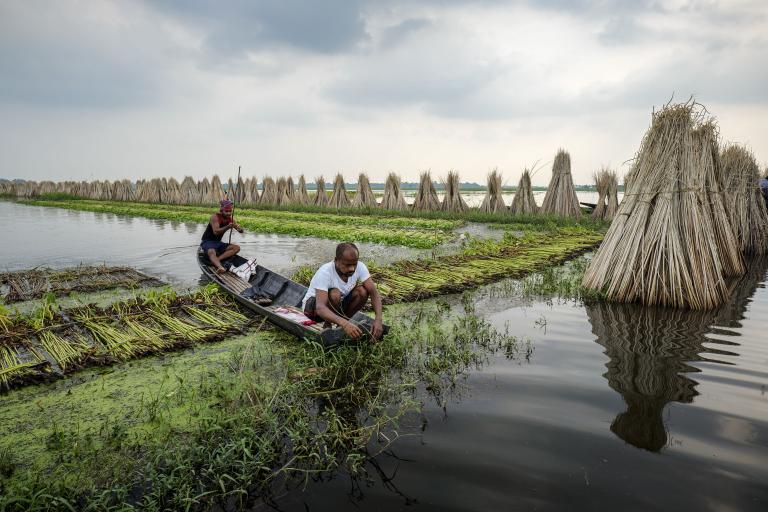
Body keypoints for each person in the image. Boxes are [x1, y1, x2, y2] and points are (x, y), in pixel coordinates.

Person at [302, 242, 384, 339]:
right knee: (335, 293)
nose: (352, 269)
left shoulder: (360, 267)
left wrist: (378, 319)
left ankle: (340, 325)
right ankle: (328, 324)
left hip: (337, 307)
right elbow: (320, 308)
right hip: (313, 310)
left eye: (354, 264)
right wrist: (345, 324)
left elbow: (374, 293)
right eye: (348, 265)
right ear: (336, 260)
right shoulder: (325, 272)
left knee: (362, 291)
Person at [201, 199, 243, 273]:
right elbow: (216, 232)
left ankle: (217, 260)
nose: (228, 213)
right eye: (226, 211)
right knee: (211, 251)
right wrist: (228, 227)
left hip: (218, 242)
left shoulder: (230, 219)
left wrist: (239, 229)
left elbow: (241, 231)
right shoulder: (215, 217)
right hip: (207, 241)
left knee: (236, 248)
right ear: (221, 210)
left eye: (230, 211)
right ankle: (220, 267)